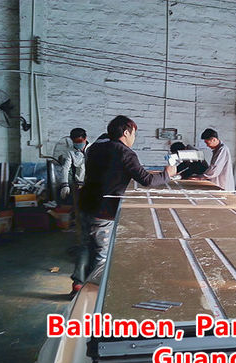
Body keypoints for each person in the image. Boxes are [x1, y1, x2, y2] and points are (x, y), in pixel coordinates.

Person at [71, 116, 176, 294]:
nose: (134, 137)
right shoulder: (125, 152)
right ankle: (93, 293)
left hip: (85, 204)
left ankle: (78, 284)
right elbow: (147, 180)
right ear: (126, 132)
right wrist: (167, 174)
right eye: (134, 133)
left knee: (85, 245)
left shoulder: (95, 148)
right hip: (103, 210)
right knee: (101, 253)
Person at [59, 128, 89, 201]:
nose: (78, 144)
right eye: (75, 142)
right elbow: (65, 168)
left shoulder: (93, 148)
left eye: (79, 141)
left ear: (85, 138)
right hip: (78, 184)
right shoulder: (70, 152)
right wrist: (65, 185)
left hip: (91, 183)